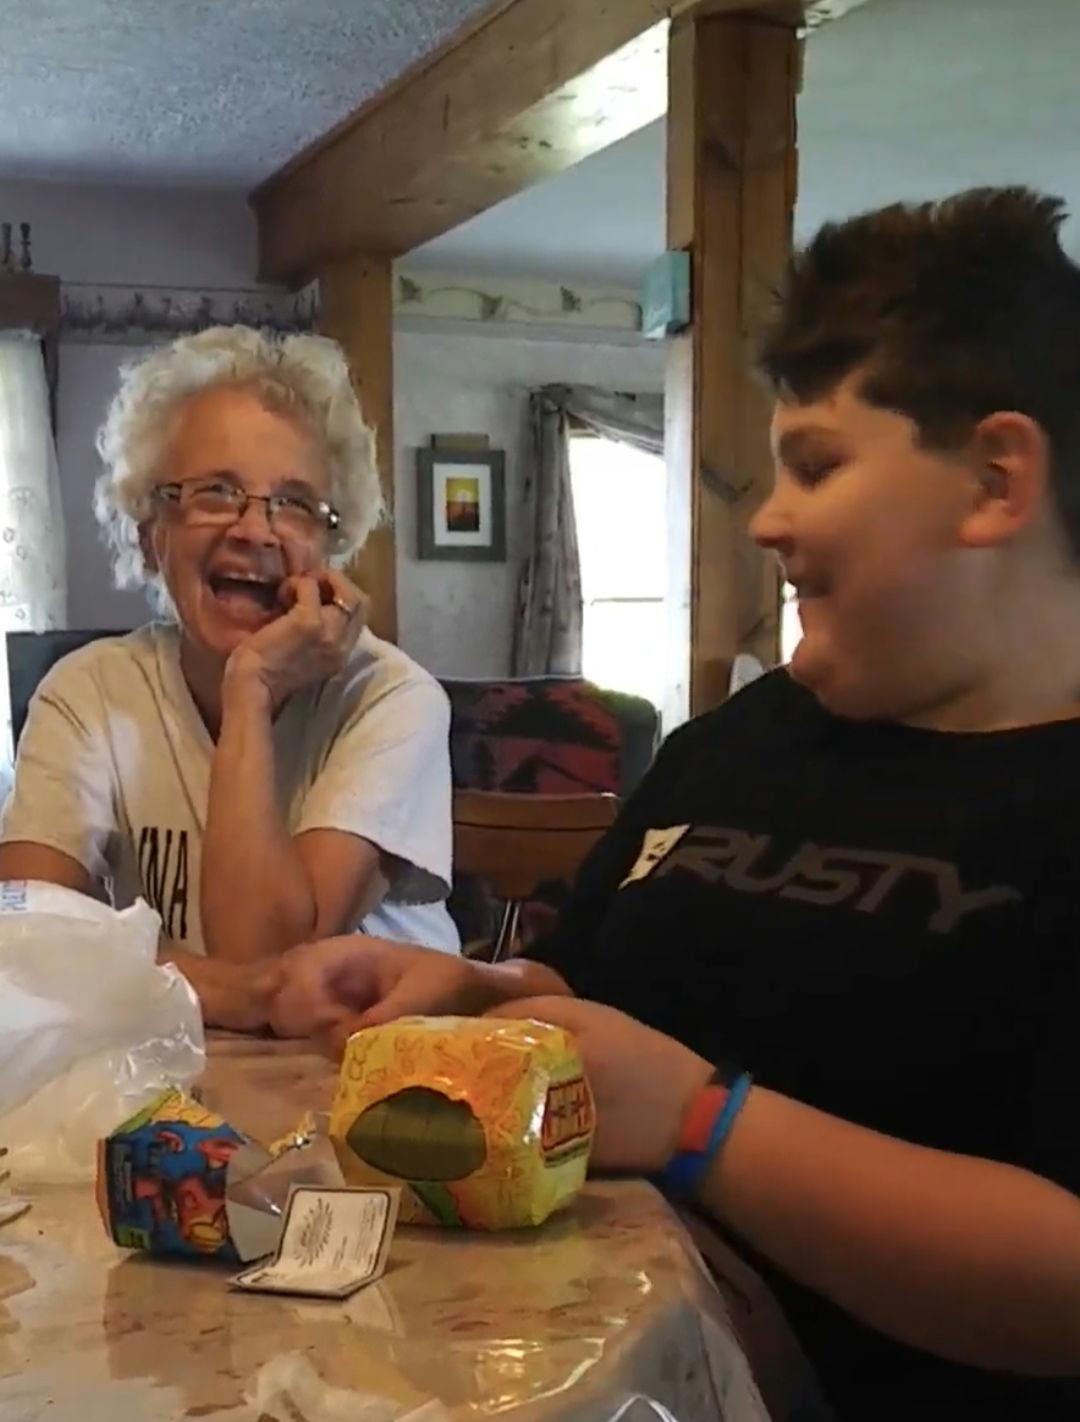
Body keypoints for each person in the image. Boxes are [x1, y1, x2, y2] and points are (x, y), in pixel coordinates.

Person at [269, 188, 1080, 1420]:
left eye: (817, 465)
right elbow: (591, 1000)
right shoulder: (737, 746)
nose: (768, 520)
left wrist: (709, 1128)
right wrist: (481, 1000)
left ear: (994, 479)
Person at [0, 325, 459, 1030]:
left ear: (332, 546)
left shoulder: (392, 701)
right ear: (151, 536)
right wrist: (227, 993)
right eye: (217, 492)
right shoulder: (87, 691)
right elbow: (22, 936)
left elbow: (265, 949)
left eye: (295, 503)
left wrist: (250, 690)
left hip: (372, 1091)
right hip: (174, 1074)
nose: (257, 530)